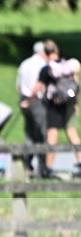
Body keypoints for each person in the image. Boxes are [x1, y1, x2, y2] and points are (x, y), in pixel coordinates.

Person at [31, 41, 81, 178]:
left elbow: (38, 87)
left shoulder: (48, 69)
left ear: (45, 53)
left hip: (55, 105)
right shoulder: (67, 66)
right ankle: (80, 161)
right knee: (72, 133)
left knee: (52, 135)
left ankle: (48, 168)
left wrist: (27, 100)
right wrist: (75, 103)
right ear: (57, 51)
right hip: (69, 104)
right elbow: (75, 85)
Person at [16, 41, 48, 178]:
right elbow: (39, 85)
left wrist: (24, 100)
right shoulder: (42, 64)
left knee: (29, 134)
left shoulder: (24, 63)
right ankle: (42, 169)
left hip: (24, 99)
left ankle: (27, 166)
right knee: (41, 134)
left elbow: (18, 86)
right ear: (42, 52)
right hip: (36, 100)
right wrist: (31, 100)